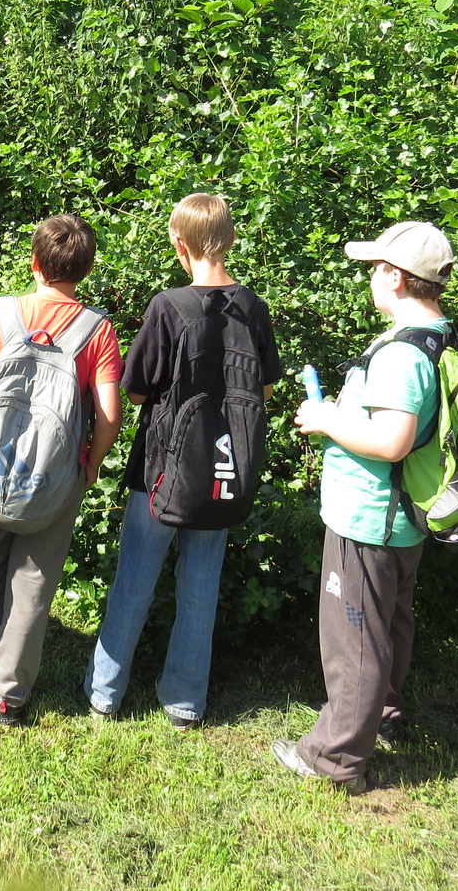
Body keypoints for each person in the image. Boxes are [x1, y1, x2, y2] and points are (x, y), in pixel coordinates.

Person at [271, 221, 458, 793]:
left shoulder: (402, 354)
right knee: (388, 625)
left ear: (397, 278)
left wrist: (327, 419)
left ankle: (336, 756)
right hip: (402, 518)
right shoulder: (437, 335)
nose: (371, 278)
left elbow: (392, 440)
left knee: (352, 635)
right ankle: (384, 715)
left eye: (376, 269)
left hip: (370, 517)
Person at [84, 194, 282, 729]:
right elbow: (263, 388)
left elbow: (139, 389)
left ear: (179, 244)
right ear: (231, 238)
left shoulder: (169, 307)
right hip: (224, 471)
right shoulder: (254, 308)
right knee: (202, 584)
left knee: (135, 579)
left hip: (162, 472)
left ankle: (105, 693)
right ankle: (185, 702)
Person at [0, 214, 126, 727]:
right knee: (31, 579)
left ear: (33, 262)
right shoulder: (97, 330)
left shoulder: (1, 315)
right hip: (54, 476)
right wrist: (90, 463)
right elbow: (111, 413)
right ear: (86, 270)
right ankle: (7, 695)